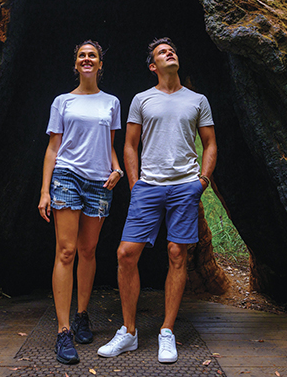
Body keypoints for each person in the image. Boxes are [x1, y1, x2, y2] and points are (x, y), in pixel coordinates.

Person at [97, 37, 217, 364]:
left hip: (185, 187)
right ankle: (130, 332)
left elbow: (210, 144)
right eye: (162, 52)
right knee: (126, 254)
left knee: (177, 253)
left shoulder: (197, 100)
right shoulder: (141, 100)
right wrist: (136, 185)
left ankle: (167, 331)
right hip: (148, 187)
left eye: (172, 50)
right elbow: (130, 145)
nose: (170, 53)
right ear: (153, 66)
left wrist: (202, 181)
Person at [39, 40, 124, 365]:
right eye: (82, 55)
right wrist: (45, 191)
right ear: (75, 64)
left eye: (93, 55)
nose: (87, 59)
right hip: (67, 177)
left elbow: (109, 145)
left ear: (100, 64)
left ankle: (82, 315)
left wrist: (117, 169)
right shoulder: (62, 101)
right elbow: (52, 148)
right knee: (66, 250)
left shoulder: (112, 102)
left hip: (100, 181)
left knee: (88, 250)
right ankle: (63, 332)